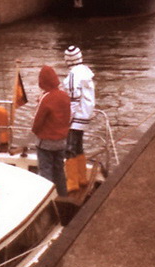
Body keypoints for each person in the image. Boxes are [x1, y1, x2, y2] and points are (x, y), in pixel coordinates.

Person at [32, 65, 71, 197]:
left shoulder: (46, 98)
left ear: (42, 82)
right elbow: (69, 117)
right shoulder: (65, 96)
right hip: (61, 141)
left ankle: (47, 199)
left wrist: (35, 132)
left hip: (46, 142)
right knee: (59, 170)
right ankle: (62, 194)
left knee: (45, 172)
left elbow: (37, 121)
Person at [62, 45, 95, 193]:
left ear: (68, 60)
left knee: (69, 149)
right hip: (85, 115)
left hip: (76, 117)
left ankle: (72, 182)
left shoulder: (73, 76)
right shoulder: (86, 72)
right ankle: (82, 178)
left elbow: (73, 100)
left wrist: (67, 119)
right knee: (78, 147)